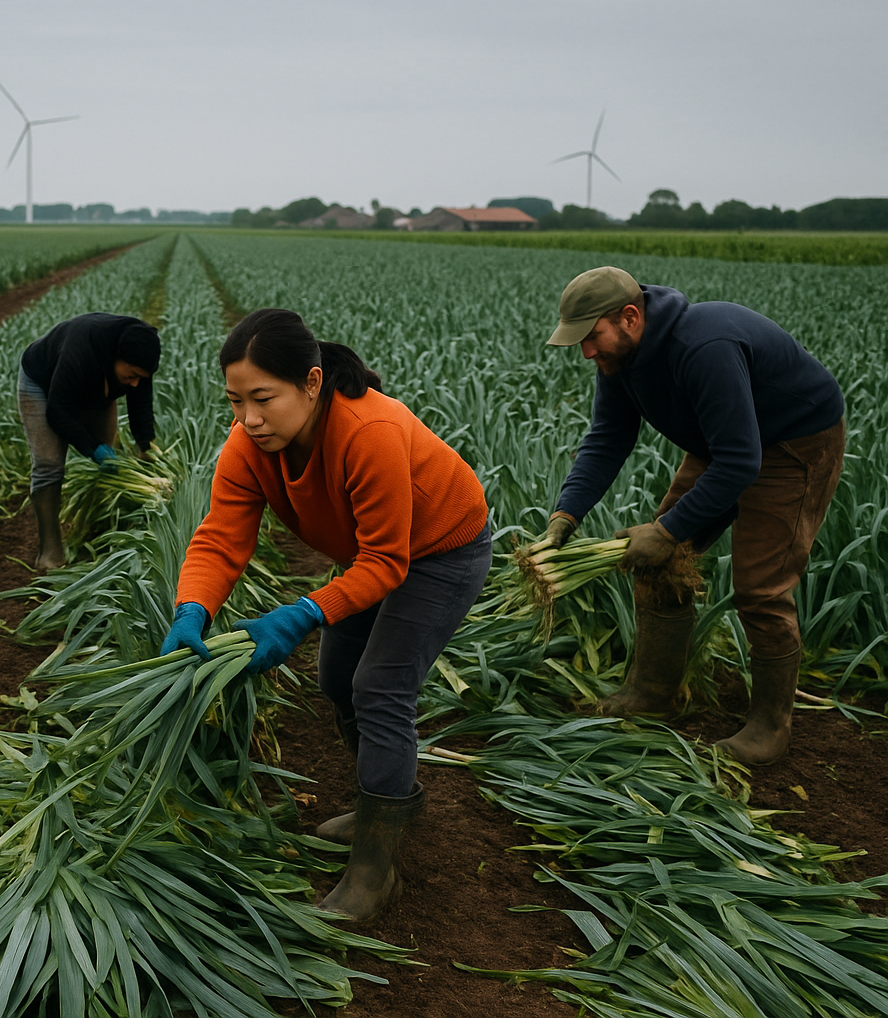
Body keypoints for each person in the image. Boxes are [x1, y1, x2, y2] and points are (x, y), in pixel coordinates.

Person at [160, 308, 491, 921]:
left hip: (442, 550)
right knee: (337, 676)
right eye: (235, 401)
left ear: (311, 383)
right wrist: (191, 610)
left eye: (263, 399)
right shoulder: (250, 445)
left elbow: (388, 562)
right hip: (372, 555)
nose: (249, 419)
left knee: (380, 686)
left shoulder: (368, 431)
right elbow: (221, 537)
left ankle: (376, 871)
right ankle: (386, 803)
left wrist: (302, 613)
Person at [540, 266, 844, 765]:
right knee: (658, 562)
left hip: (794, 444)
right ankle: (654, 693)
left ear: (630, 317)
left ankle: (770, 725)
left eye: (592, 337)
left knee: (761, 588)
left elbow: (742, 462)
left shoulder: (704, 347)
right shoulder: (621, 359)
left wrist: (666, 530)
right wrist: (565, 515)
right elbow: (608, 438)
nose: (587, 352)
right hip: (725, 442)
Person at [17, 312, 160, 568]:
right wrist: (94, 448)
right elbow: (58, 411)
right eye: (132, 375)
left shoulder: (139, 356)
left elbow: (140, 407)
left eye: (141, 377)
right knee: (49, 465)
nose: (135, 383)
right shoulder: (80, 351)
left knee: (110, 468)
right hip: (42, 384)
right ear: (116, 357)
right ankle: (50, 554)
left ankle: (99, 535)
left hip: (97, 389)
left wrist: (145, 447)